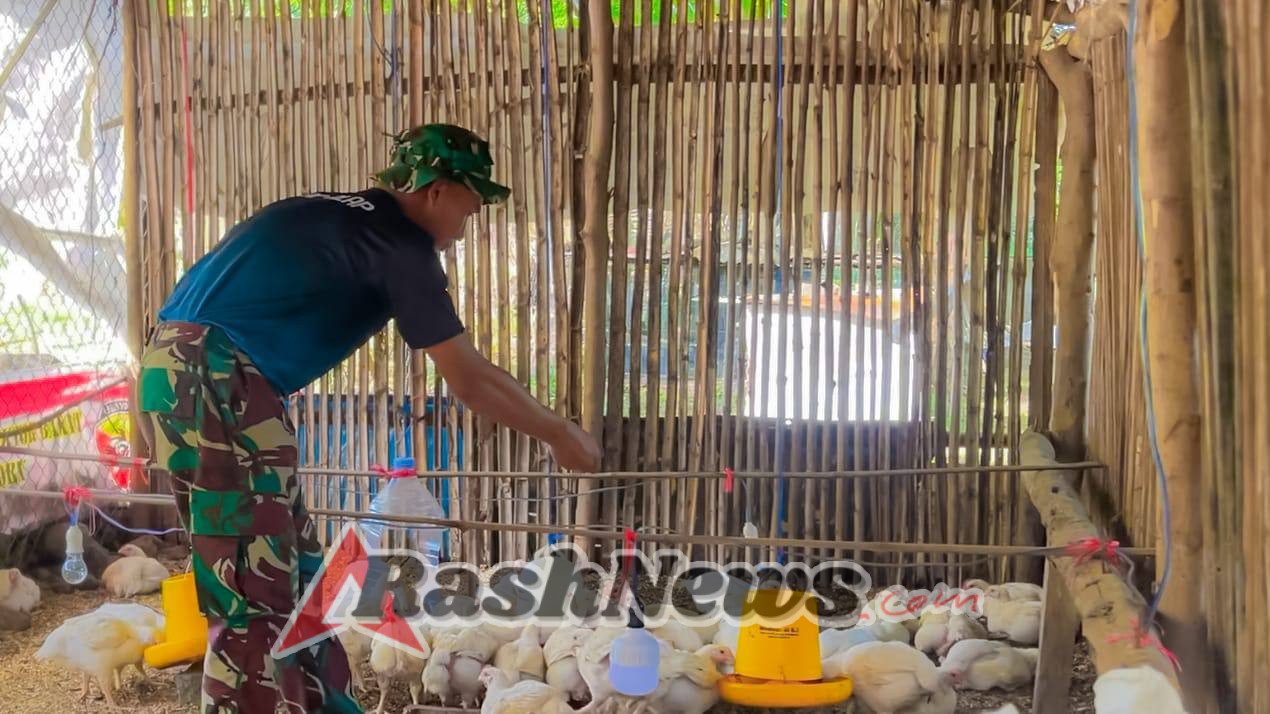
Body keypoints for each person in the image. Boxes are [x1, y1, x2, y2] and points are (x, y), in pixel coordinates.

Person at [137, 123, 600, 713]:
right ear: (435, 190)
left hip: (186, 372)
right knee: (251, 591)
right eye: (471, 198)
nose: (472, 214)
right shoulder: (400, 246)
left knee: (296, 569)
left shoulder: (327, 211)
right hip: (216, 377)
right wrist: (559, 432)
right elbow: (470, 378)